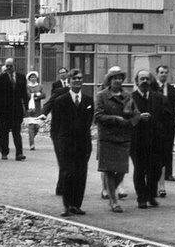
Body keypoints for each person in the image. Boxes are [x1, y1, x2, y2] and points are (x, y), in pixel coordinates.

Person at [94, 66, 139, 213]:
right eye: (115, 78)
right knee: (108, 170)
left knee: (121, 170)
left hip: (123, 137)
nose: (118, 81)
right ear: (109, 80)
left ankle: (110, 190)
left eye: (120, 78)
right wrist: (115, 119)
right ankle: (114, 202)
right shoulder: (101, 96)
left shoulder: (127, 96)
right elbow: (97, 116)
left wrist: (131, 121)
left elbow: (135, 115)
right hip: (107, 138)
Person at [50, 69, 92, 216]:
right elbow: (55, 125)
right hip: (66, 143)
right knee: (68, 173)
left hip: (83, 143)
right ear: (69, 81)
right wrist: (59, 143)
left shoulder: (88, 100)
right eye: (74, 78)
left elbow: (88, 122)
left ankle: (76, 205)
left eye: (80, 78)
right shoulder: (61, 101)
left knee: (81, 174)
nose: (77, 81)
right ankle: (67, 205)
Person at [131, 69, 170, 209]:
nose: (145, 81)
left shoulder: (159, 98)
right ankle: (142, 198)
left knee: (156, 170)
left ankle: (151, 195)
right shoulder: (131, 98)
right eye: (142, 79)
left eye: (147, 79)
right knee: (140, 170)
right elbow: (126, 118)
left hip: (156, 140)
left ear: (151, 81)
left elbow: (167, 117)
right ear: (136, 82)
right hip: (137, 141)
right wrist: (138, 118)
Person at [153, 64, 175, 196]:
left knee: (168, 149)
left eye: (165, 72)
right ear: (157, 74)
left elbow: (174, 105)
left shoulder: (171, 89)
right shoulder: (153, 88)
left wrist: (174, 121)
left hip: (169, 124)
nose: (163, 74)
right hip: (157, 123)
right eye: (161, 72)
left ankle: (168, 173)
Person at [0, 58, 28, 161]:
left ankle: (19, 153)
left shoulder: (21, 77)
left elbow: (24, 94)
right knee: (4, 132)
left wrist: (26, 107)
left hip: (16, 110)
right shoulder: (1, 78)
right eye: (7, 66)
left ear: (15, 66)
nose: (9, 68)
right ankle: (4, 152)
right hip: (4, 111)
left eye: (11, 66)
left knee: (16, 132)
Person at [26, 71, 45, 150]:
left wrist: (37, 96)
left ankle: (32, 137)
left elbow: (43, 95)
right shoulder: (27, 86)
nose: (33, 78)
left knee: (37, 126)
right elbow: (27, 94)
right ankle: (32, 144)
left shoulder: (40, 86)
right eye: (31, 77)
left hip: (37, 108)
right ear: (29, 78)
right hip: (30, 108)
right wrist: (36, 94)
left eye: (34, 77)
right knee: (31, 126)